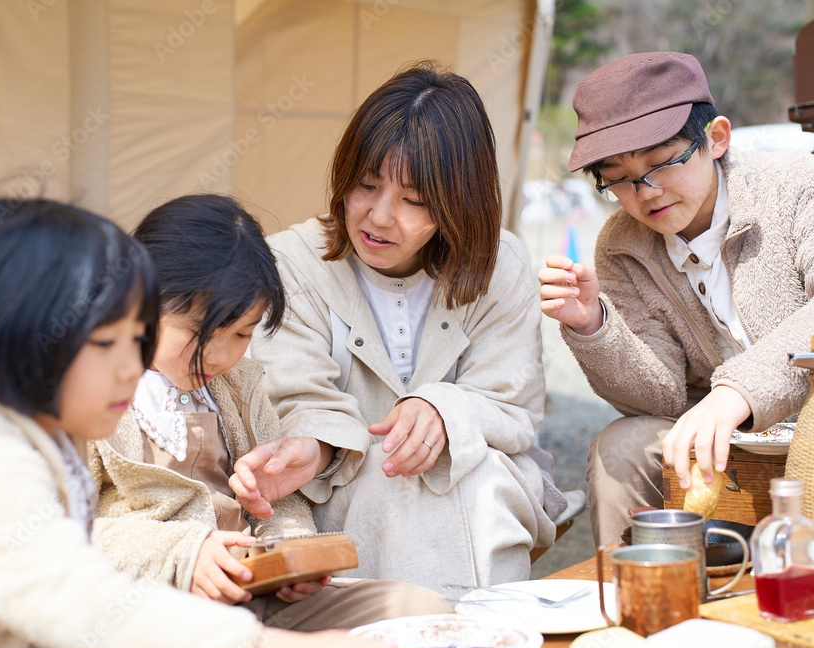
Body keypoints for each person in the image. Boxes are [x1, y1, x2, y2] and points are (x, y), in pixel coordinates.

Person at [0, 199, 428, 648]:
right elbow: (86, 603)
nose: (130, 366)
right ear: (24, 338)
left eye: (135, 339)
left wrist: (289, 557)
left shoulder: (17, 419)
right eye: (105, 344)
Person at [237, 63, 567, 591]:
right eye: (365, 186)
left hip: (473, 482)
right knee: (388, 486)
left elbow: (512, 405)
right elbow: (292, 399)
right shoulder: (291, 264)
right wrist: (319, 445)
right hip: (346, 489)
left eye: (414, 200)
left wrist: (444, 408)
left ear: (461, 201)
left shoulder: (499, 263)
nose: (379, 216)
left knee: (475, 482)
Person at [88, 193, 451, 631]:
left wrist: (290, 554)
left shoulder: (238, 387)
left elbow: (280, 500)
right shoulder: (87, 393)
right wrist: (186, 553)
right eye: (196, 332)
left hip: (251, 599)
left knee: (420, 612)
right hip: (147, 609)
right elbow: (58, 533)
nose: (219, 355)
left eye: (241, 334)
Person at [537, 51, 814, 545]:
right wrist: (595, 327)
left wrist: (736, 392)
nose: (645, 192)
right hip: (728, 444)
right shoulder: (620, 244)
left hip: (804, 422)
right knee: (621, 447)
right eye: (618, 177)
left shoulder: (797, 189)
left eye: (662, 163)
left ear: (716, 139)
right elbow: (659, 397)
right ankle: (638, 600)